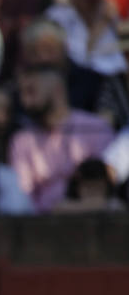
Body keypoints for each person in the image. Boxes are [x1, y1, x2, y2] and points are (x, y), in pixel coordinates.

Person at [8, 60, 114, 211]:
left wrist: (70, 208)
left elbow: (107, 187)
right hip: (40, 227)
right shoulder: (21, 140)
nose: (25, 101)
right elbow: (23, 200)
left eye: (31, 91)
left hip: (96, 222)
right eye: (22, 93)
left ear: (57, 89)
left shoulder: (95, 128)